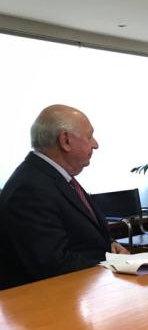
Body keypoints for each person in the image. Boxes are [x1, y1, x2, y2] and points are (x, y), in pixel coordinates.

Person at [0, 105, 128, 290]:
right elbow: (52, 264)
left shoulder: (55, 177)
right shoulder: (30, 188)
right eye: (89, 136)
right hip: (46, 307)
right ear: (65, 140)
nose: (95, 144)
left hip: (80, 295)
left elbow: (77, 236)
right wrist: (114, 264)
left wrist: (110, 246)